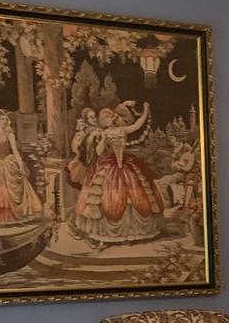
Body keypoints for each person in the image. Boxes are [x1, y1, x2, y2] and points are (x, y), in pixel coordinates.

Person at [69, 102, 164, 248]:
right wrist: (101, 139)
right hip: (109, 165)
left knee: (134, 195)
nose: (109, 119)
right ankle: (104, 235)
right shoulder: (104, 133)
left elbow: (138, 125)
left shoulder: (123, 129)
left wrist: (145, 110)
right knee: (105, 196)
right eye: (105, 118)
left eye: (110, 117)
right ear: (104, 121)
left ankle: (131, 233)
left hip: (125, 164)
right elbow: (100, 152)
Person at [0, 110, 44, 225]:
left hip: (9, 161)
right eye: (3, 119)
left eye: (6, 119)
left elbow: (15, 151)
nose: (5, 121)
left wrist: (21, 166)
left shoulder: (10, 133)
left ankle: (12, 216)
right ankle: (0, 217)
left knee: (10, 190)